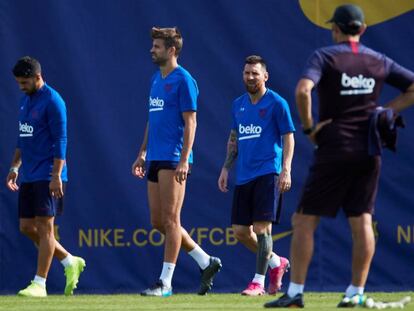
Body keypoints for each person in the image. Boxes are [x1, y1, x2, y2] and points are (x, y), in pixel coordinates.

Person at [265, 4, 414, 308]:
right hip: (370, 149)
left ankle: (294, 293)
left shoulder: (325, 56)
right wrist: (384, 111)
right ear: (362, 28)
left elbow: (303, 90)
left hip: (334, 146)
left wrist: (309, 128)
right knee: (361, 221)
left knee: (304, 220)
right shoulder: (378, 60)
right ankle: (355, 292)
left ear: (336, 29)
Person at [131, 27, 222, 297]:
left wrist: (184, 159)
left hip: (174, 158)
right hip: (156, 157)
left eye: (157, 46)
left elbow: (191, 122)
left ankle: (165, 283)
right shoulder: (156, 79)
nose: (152, 50)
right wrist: (143, 152)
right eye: (153, 45)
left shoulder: (184, 80)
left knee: (172, 219)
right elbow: (153, 118)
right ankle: (206, 261)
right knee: (158, 221)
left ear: (171, 50)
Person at [6, 56, 86, 297]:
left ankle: (39, 283)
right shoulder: (25, 102)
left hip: (47, 173)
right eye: (19, 83)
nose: (21, 86)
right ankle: (69, 261)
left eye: (24, 82)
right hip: (29, 174)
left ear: (37, 77)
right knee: (26, 227)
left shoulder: (53, 101)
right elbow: (22, 139)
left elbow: (61, 140)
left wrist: (56, 174)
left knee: (45, 229)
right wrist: (14, 168)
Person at [218, 55, 295, 296]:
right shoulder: (238, 105)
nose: (250, 77)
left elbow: (288, 137)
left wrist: (286, 169)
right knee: (241, 232)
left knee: (263, 230)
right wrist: (226, 167)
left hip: (268, 172)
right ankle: (276, 262)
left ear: (265, 76)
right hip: (244, 175)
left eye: (255, 73)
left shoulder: (277, 103)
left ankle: (258, 283)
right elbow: (234, 138)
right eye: (246, 73)